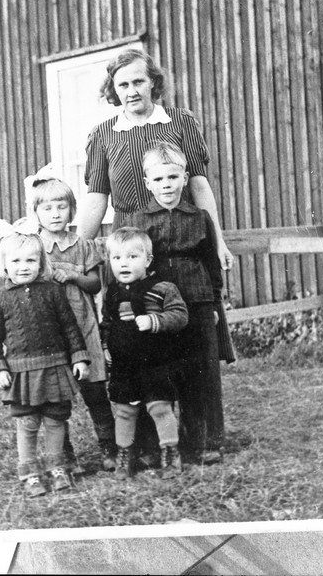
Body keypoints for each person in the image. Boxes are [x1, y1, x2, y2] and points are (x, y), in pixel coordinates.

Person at [76, 47, 235, 463]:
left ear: (153, 83)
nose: (131, 91)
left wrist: (218, 239)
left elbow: (198, 185)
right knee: (140, 345)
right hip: (132, 250)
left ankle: (203, 440)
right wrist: (78, 249)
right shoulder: (103, 134)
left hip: (183, 243)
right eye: (122, 84)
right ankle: (148, 445)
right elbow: (96, 198)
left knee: (195, 344)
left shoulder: (181, 122)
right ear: (113, 89)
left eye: (138, 81)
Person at [123, 142, 226, 463]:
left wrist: (214, 304)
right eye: (158, 179)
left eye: (172, 177)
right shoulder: (138, 219)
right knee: (155, 371)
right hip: (156, 305)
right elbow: (128, 265)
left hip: (197, 300)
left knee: (201, 371)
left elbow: (211, 264)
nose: (166, 185)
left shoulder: (200, 218)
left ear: (184, 177)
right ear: (147, 183)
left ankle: (203, 442)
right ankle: (153, 446)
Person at [0, 231, 90, 498]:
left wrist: (79, 357)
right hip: (20, 372)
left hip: (55, 366)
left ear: (41, 263)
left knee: (56, 419)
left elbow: (70, 328)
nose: (23, 267)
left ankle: (57, 467)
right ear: (4, 264)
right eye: (16, 261)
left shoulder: (53, 292)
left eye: (30, 261)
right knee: (28, 422)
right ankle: (30, 473)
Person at [28, 173, 117, 473]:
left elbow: (95, 284)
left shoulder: (83, 245)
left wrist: (74, 276)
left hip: (84, 325)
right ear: (36, 213)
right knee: (57, 397)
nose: (55, 214)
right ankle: (65, 456)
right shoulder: (34, 247)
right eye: (47, 208)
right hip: (51, 332)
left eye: (61, 207)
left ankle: (110, 448)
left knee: (95, 392)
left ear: (72, 210)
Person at [100, 227, 189, 479]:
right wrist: (106, 347)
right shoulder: (112, 292)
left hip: (156, 362)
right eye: (117, 258)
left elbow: (180, 315)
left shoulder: (162, 288)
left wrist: (154, 321)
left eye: (132, 257)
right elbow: (107, 323)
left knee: (160, 407)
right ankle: (125, 454)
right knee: (125, 410)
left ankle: (170, 453)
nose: (124, 263)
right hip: (124, 365)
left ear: (148, 260)